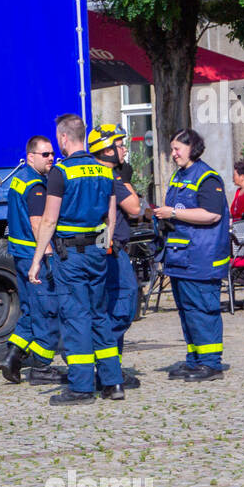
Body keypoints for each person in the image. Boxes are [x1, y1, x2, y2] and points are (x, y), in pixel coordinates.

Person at [28, 114, 124, 404]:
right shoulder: (105, 172)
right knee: (99, 314)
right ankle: (113, 383)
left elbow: (49, 220)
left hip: (70, 255)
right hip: (97, 252)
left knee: (75, 318)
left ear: (63, 139)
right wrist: (103, 246)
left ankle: (82, 387)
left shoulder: (61, 172)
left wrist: (35, 261)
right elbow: (111, 216)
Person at [151, 129, 230, 382]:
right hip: (180, 257)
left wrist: (172, 213)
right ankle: (195, 360)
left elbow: (212, 214)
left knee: (203, 310)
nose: (173, 154)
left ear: (192, 148)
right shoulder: (179, 176)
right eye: (172, 149)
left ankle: (211, 364)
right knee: (187, 311)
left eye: (177, 149)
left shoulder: (207, 178)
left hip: (201, 257)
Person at [0, 135, 64, 384]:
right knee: (47, 311)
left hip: (20, 255)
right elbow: (39, 224)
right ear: (31, 157)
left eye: (52, 153)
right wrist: (46, 255)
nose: (51, 158)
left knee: (29, 310)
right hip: (35, 257)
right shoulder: (36, 186)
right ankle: (42, 367)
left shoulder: (19, 179)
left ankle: (12, 357)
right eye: (45, 154)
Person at [88, 122, 143, 387]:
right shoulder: (111, 176)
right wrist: (126, 180)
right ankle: (106, 368)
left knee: (106, 307)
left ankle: (111, 369)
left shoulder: (91, 173)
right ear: (107, 150)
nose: (124, 150)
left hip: (99, 249)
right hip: (112, 252)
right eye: (120, 145)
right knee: (122, 305)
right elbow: (135, 208)